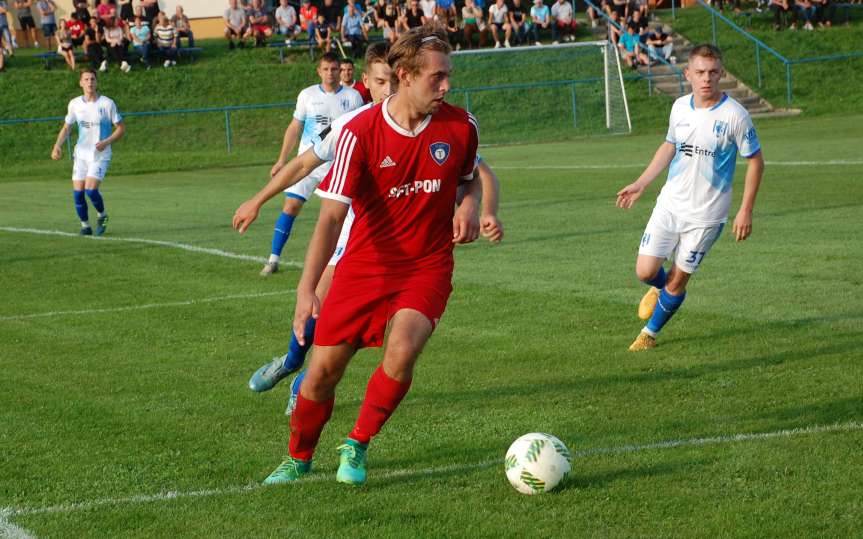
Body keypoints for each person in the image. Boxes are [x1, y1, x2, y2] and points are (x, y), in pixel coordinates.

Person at [260, 26, 486, 487]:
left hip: (426, 264)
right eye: (437, 78)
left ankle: (357, 442)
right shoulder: (359, 132)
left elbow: (472, 179)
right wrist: (306, 291)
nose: (446, 86)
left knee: (402, 353)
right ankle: (299, 457)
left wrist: (470, 205)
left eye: (448, 77)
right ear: (404, 75)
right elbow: (327, 219)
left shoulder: (461, 126)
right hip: (364, 266)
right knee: (321, 375)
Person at [615, 44, 764, 352]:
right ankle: (660, 290)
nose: (706, 78)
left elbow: (756, 161)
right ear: (688, 75)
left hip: (707, 216)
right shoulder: (680, 107)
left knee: (678, 281)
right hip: (670, 204)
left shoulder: (736, 116)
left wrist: (745, 210)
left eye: (712, 72)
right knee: (645, 271)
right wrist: (642, 182)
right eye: (699, 72)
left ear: (721, 73)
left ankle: (649, 334)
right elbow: (670, 145)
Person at [261, 52, 364, 276]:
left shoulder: (353, 97)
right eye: (326, 69)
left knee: (342, 216)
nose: (330, 73)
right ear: (319, 71)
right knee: (291, 206)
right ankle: (273, 259)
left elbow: (360, 130)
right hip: (308, 163)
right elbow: (294, 127)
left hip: (337, 166)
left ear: (341, 71)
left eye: (334, 69)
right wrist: (281, 159)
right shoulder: (307, 95)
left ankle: (342, 263)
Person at [51, 69, 125, 237]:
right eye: (86, 79)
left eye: (92, 79)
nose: (90, 82)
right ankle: (85, 227)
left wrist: (106, 142)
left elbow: (121, 128)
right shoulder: (75, 104)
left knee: (91, 191)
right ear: (81, 83)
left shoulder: (107, 104)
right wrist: (57, 145)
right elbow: (67, 127)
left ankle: (103, 216)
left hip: (100, 155)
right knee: (78, 194)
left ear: (96, 82)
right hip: (81, 155)